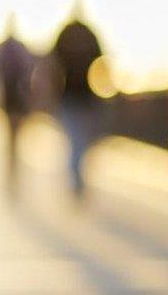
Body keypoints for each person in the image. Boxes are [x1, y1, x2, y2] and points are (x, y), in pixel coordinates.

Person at [50, 13, 104, 199]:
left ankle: (76, 179)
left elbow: (52, 62)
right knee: (78, 140)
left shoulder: (66, 33)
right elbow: (101, 59)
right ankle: (77, 180)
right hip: (82, 96)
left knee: (77, 140)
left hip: (74, 96)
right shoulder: (87, 32)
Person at [0, 15, 35, 196]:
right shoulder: (22, 48)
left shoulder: (2, 47)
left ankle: (11, 167)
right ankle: (14, 168)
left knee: (11, 135)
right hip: (19, 98)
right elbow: (30, 70)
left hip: (8, 98)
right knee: (15, 134)